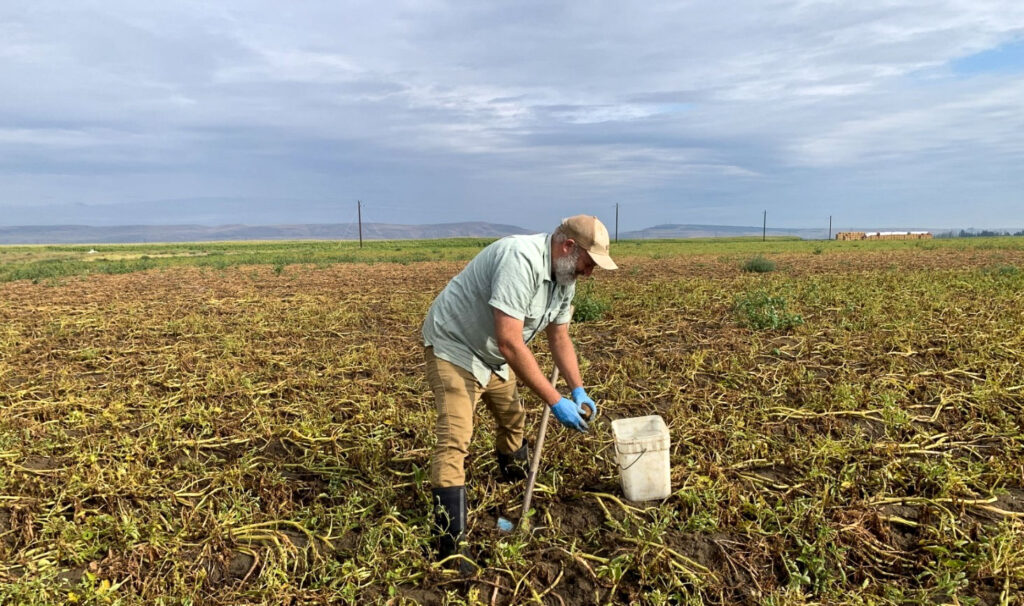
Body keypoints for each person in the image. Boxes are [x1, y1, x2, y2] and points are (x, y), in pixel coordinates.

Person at [421, 214, 617, 571]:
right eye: (588, 264)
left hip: (492, 354)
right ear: (568, 246)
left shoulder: (565, 276)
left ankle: (512, 485)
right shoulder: (520, 259)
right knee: (455, 437)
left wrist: (578, 389)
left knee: (512, 416)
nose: (588, 273)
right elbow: (511, 342)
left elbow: (560, 338)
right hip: (456, 346)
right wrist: (555, 401)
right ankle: (449, 546)